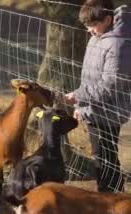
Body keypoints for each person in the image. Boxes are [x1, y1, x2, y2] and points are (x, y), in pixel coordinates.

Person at [65, 0, 131, 192]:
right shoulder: (99, 37)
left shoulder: (118, 44)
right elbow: (88, 77)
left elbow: (110, 85)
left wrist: (79, 97)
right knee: (100, 155)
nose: (89, 30)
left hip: (109, 112)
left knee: (106, 157)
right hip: (94, 107)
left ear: (108, 19)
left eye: (93, 25)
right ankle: (108, 195)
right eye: (87, 26)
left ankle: (110, 198)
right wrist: (81, 107)